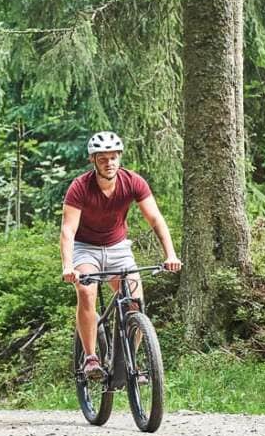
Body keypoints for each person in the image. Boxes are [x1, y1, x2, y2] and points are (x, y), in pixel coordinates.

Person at [60, 132, 182, 381]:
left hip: (118, 248)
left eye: (113, 157)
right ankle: (91, 358)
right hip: (86, 248)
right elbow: (68, 229)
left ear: (120, 158)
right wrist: (68, 265)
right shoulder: (80, 187)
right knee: (86, 292)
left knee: (135, 303)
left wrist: (170, 254)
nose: (109, 163)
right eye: (103, 158)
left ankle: (129, 364)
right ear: (93, 160)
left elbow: (156, 219)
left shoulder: (133, 182)